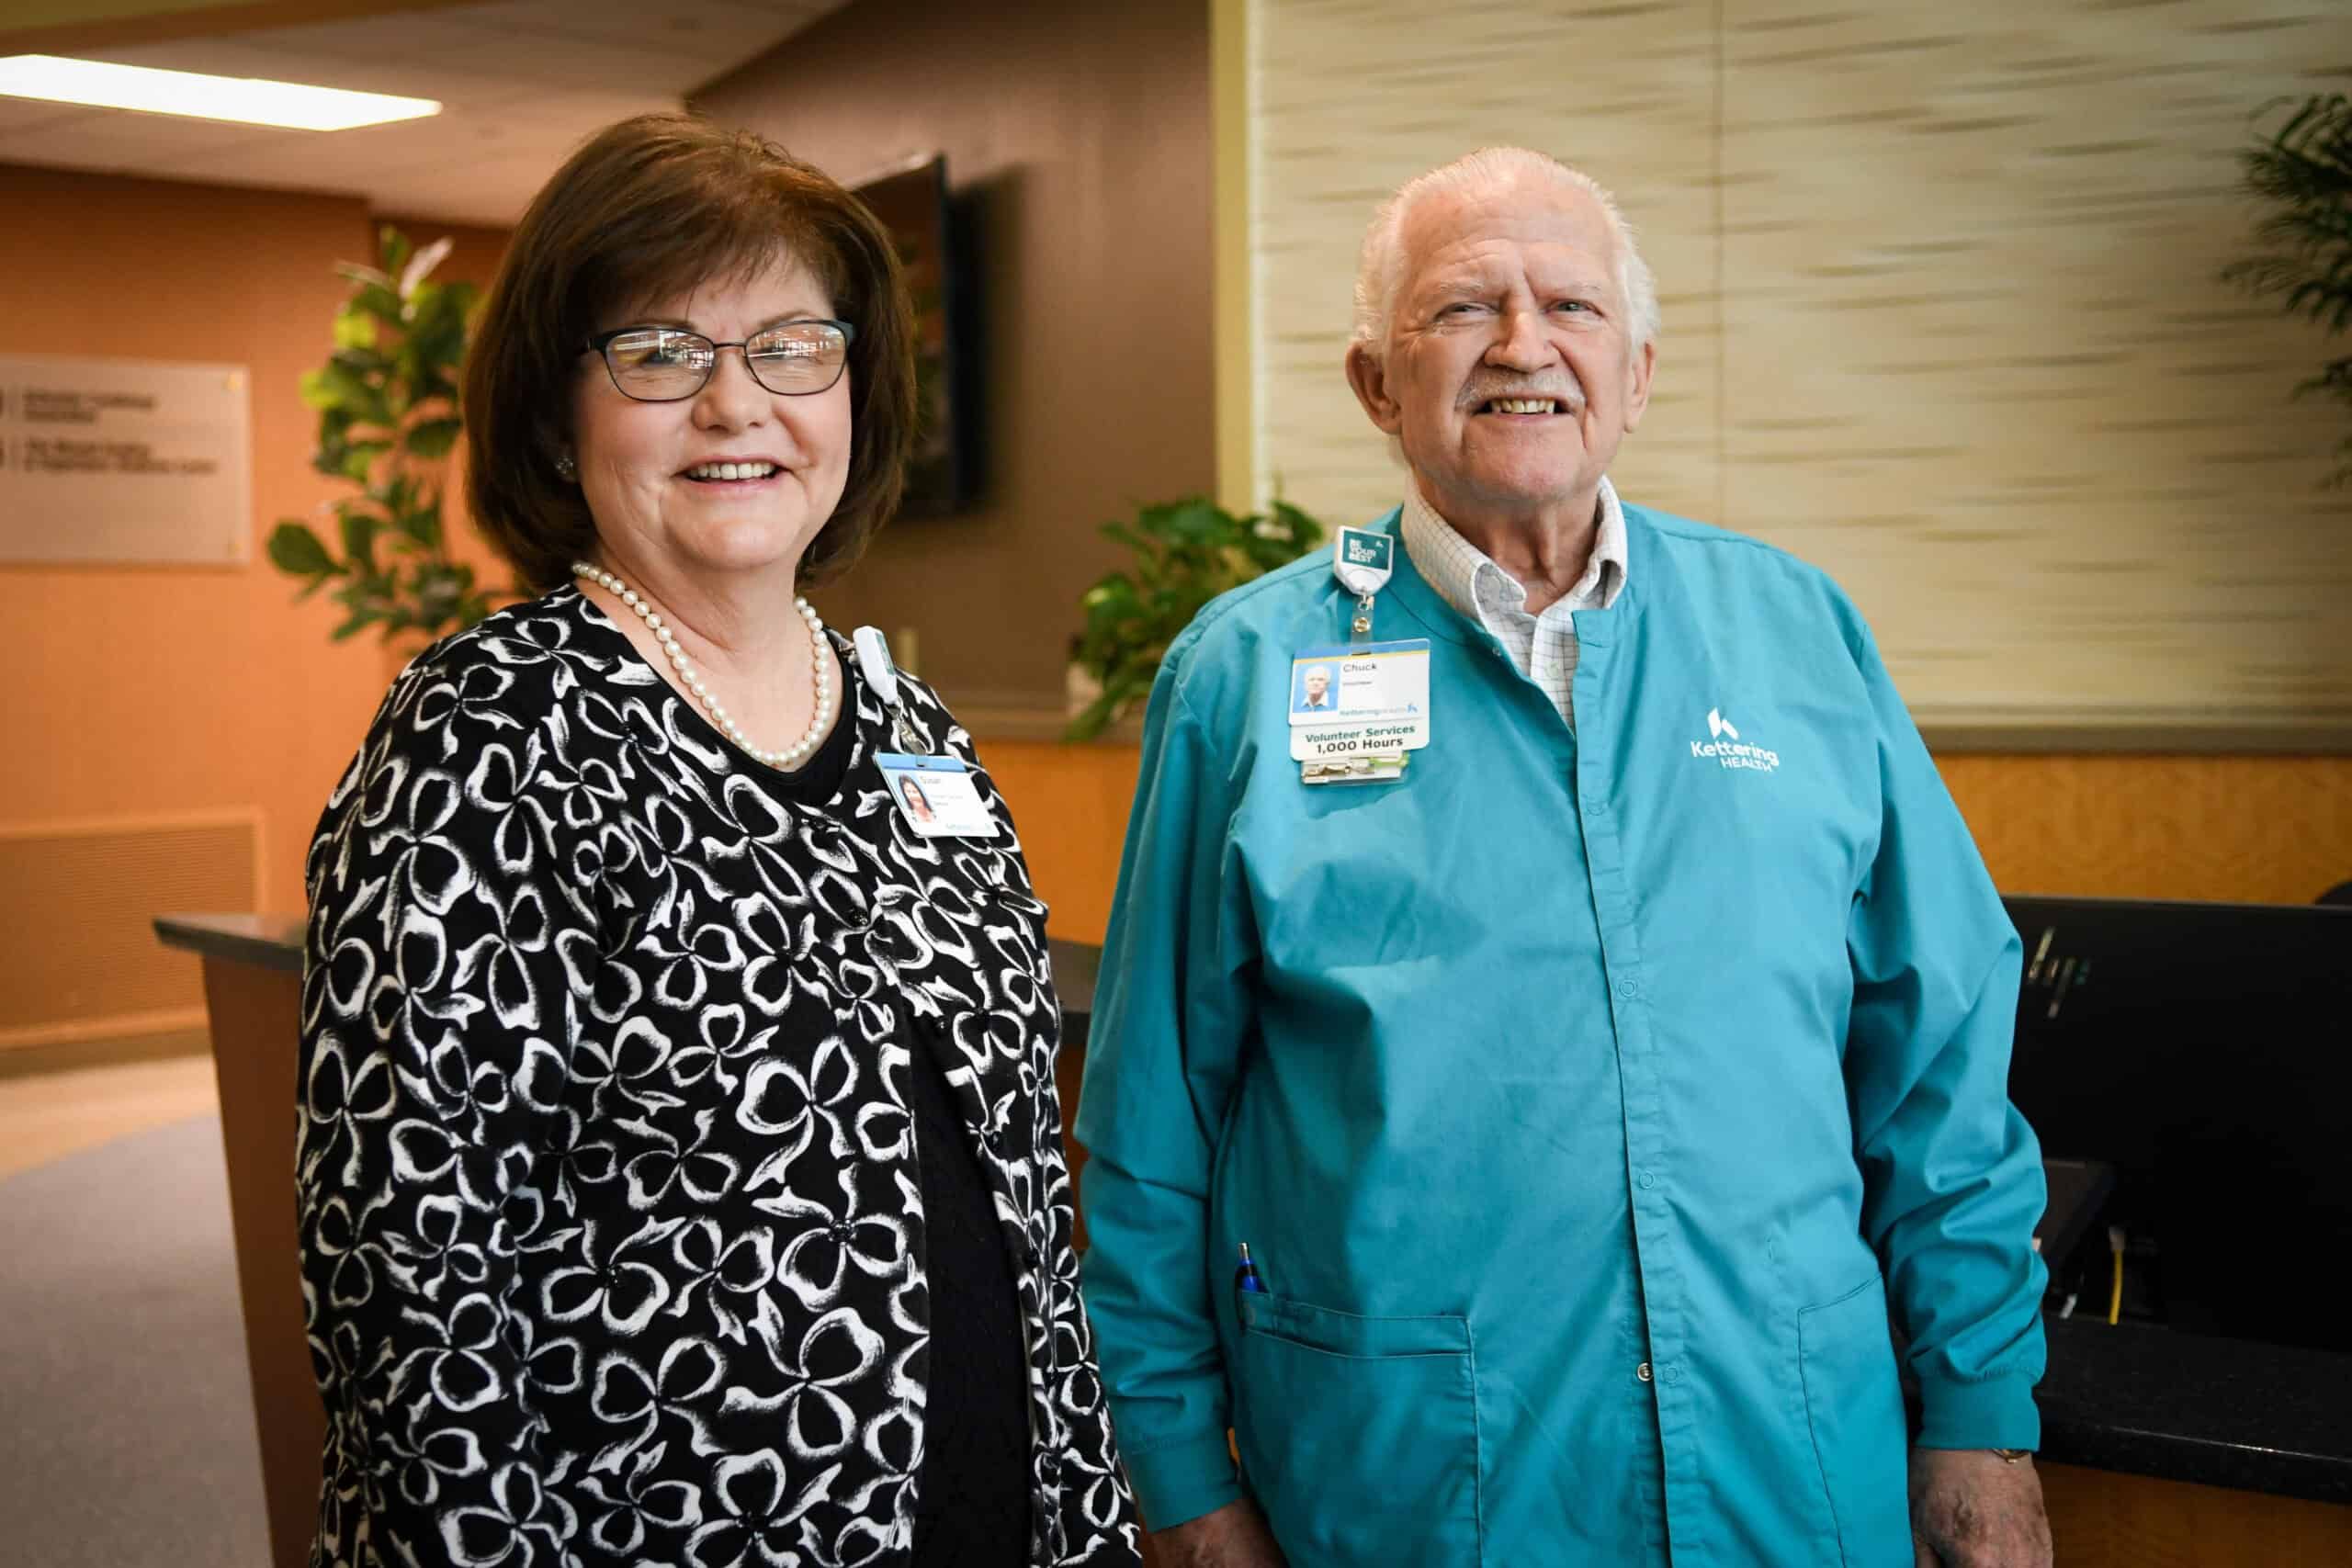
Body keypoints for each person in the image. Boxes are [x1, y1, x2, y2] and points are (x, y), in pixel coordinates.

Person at [1075, 147, 2052, 1567]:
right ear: (1374, 382)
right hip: (1409, 1493)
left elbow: (1941, 1060)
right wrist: (1176, 1481)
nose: (1525, 345)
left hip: (1794, 1469)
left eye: (1573, 308)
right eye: (1464, 308)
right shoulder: (1244, 675)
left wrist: (1980, 1412)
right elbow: (1151, 1128)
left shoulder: (1799, 634)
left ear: (1638, 374)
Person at [296, 113, 1139, 1568]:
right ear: (561, 414)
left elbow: (1014, 1191)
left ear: (856, 394)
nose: (736, 405)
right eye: (661, 352)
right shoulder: (486, 738)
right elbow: (408, 1296)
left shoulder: (908, 721)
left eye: (791, 348)